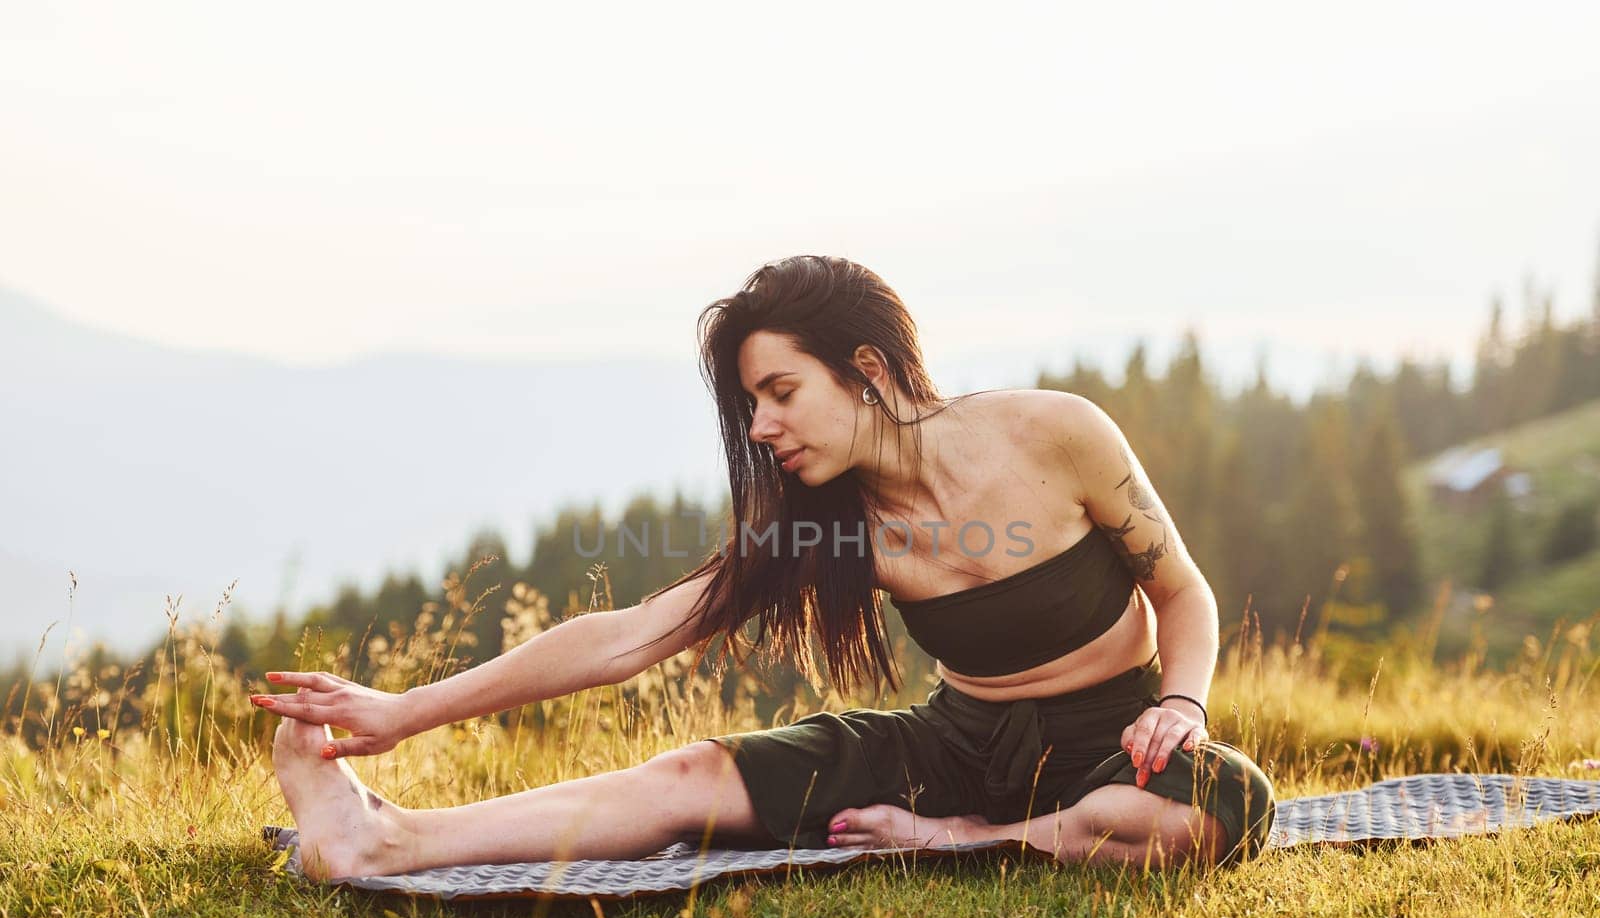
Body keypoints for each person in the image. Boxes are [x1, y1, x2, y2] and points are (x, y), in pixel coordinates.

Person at [258, 254, 1275, 880]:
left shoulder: (1057, 436)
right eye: (751, 404)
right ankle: (385, 842)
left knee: (1218, 806)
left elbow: (1181, 592)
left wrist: (1181, 708)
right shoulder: (822, 527)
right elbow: (625, 637)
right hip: (955, 746)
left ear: (867, 369)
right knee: (691, 775)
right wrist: (401, 711)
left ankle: (965, 843)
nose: (764, 426)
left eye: (781, 391)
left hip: (1117, 746)